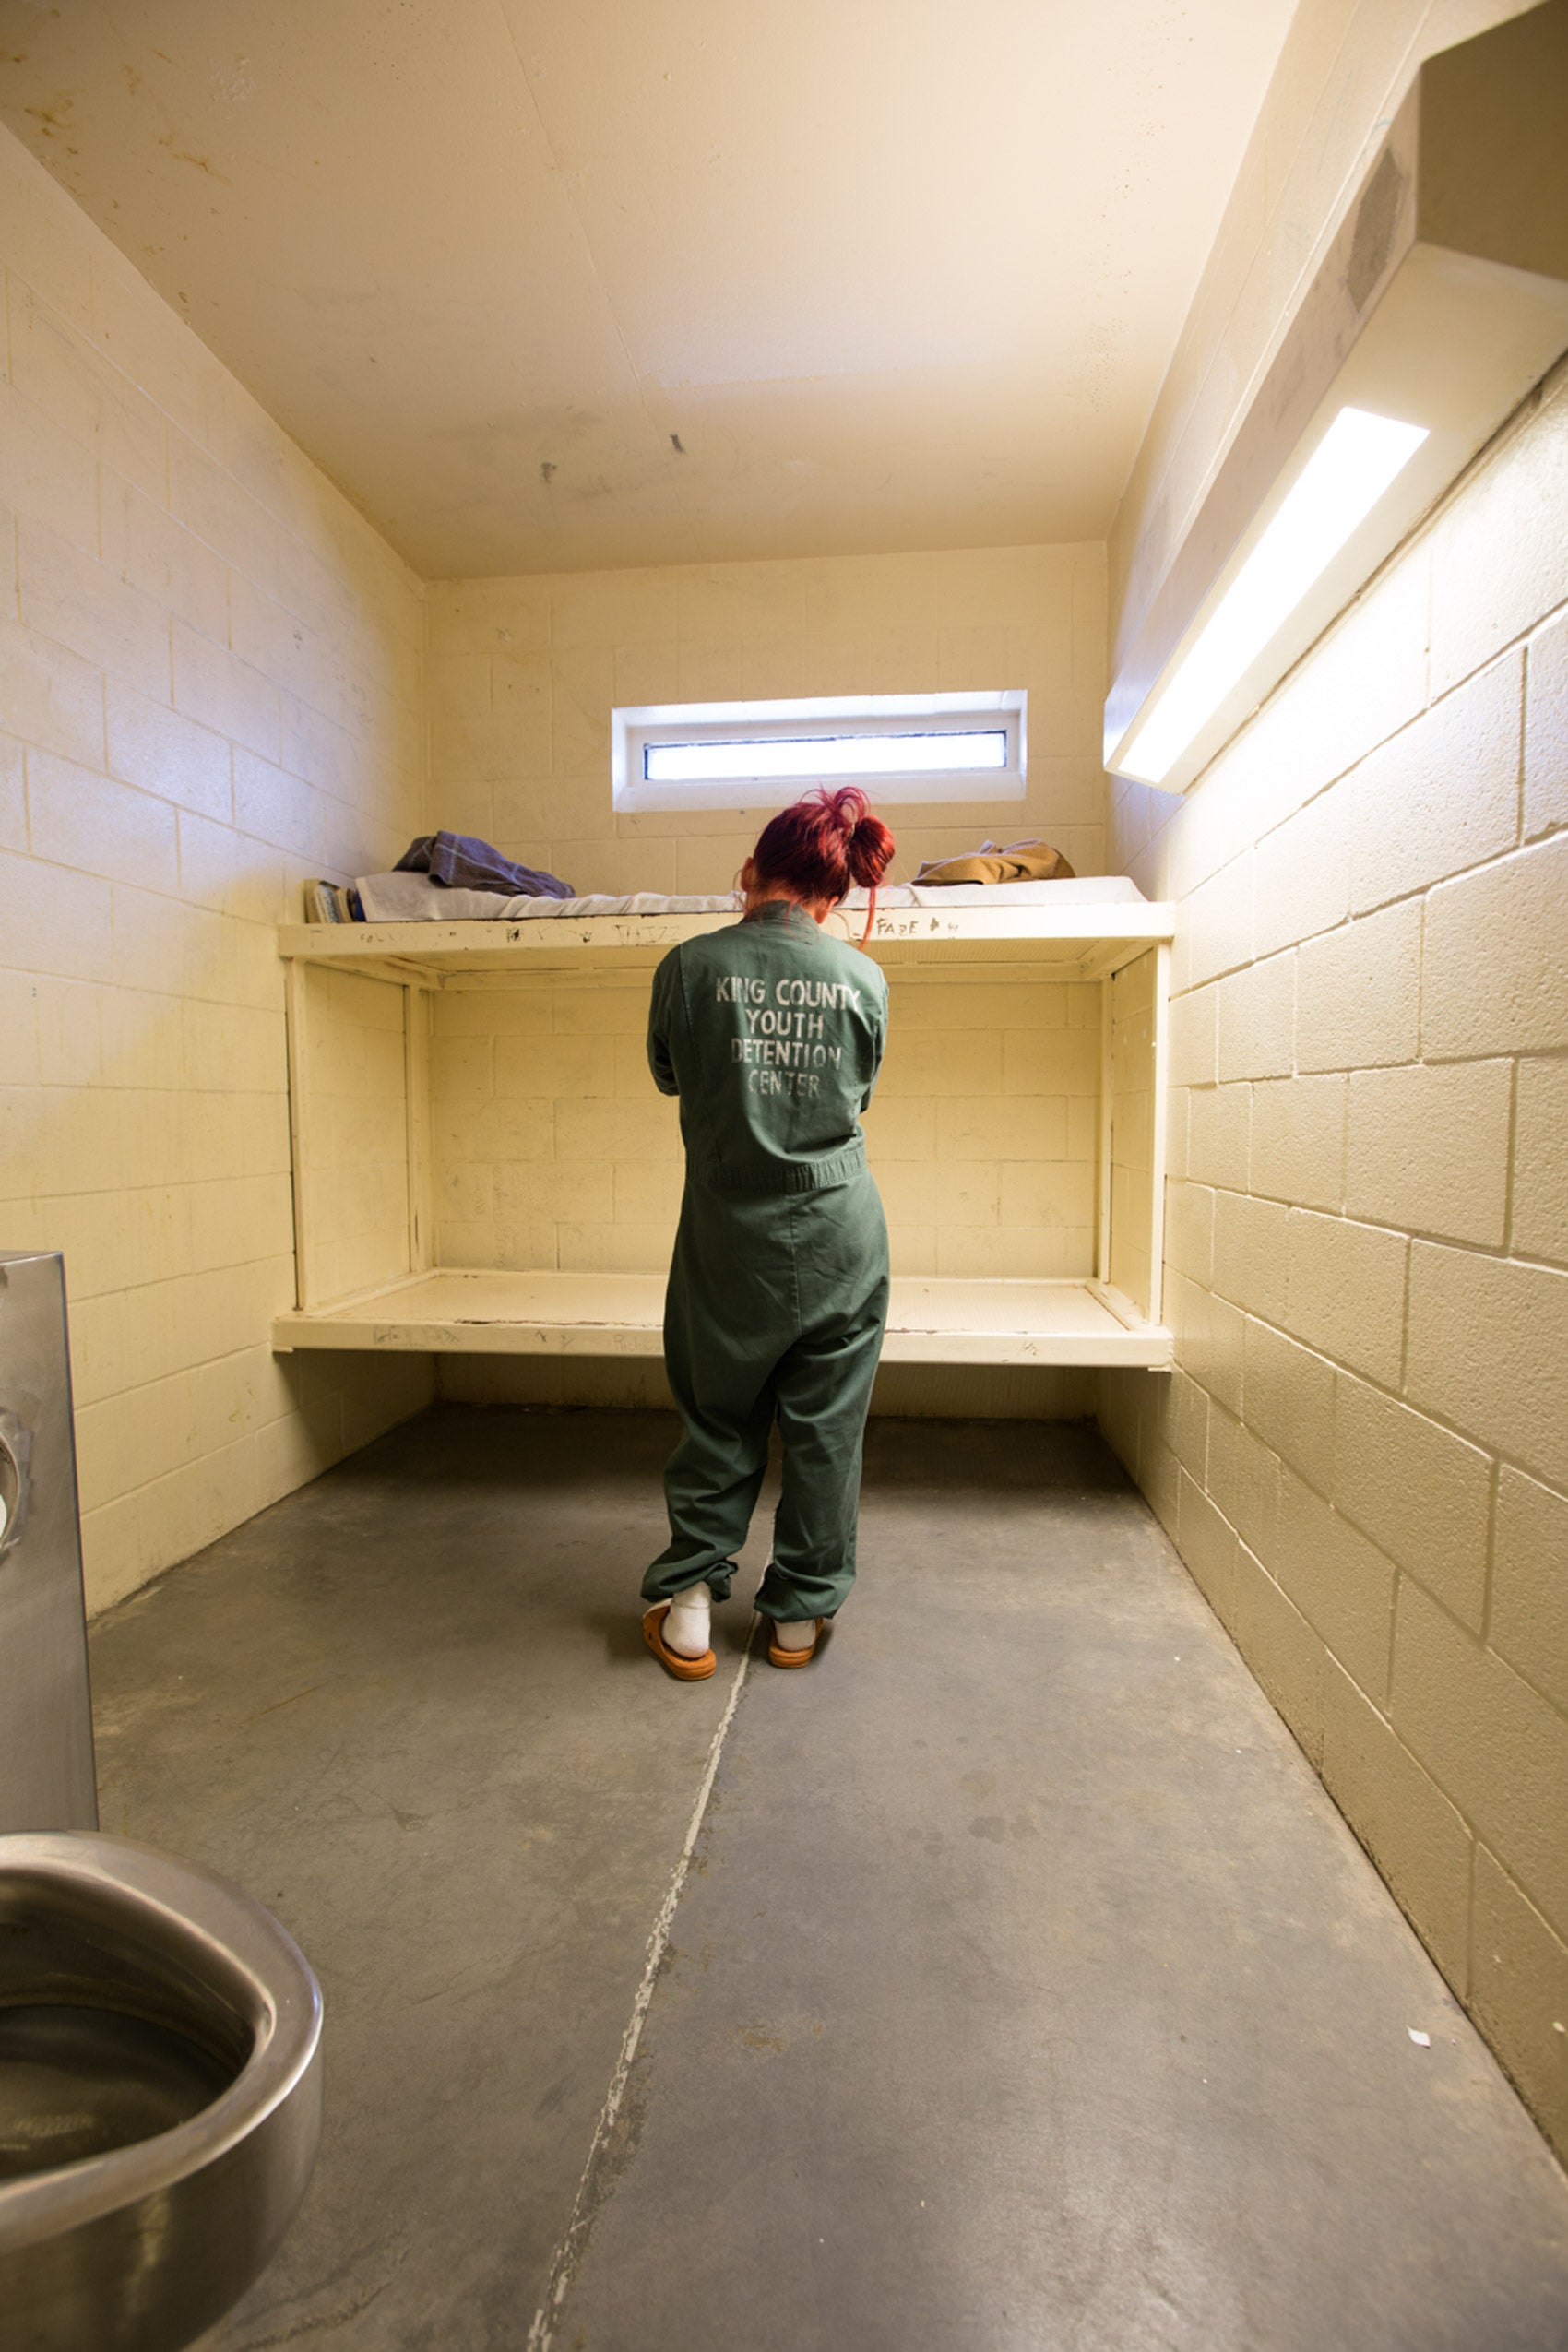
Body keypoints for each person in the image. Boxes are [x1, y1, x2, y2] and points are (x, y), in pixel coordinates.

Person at [640, 785, 897, 1680]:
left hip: (727, 1236)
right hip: (840, 1233)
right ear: (833, 894)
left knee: (717, 1415)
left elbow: (669, 1075)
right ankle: (796, 1619)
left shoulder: (687, 967)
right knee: (827, 1429)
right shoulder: (863, 978)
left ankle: (689, 1610)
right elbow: (858, 1094)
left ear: (750, 871)